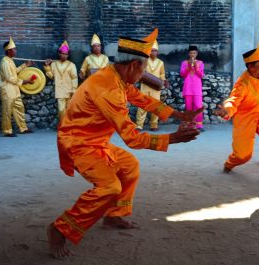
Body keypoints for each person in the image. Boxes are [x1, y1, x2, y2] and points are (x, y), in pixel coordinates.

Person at [46, 28, 203, 259]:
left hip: (96, 142)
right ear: (133, 66)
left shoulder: (116, 76)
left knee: (129, 167)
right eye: (143, 71)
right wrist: (171, 139)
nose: (143, 76)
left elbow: (141, 98)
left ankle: (112, 214)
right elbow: (132, 138)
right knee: (110, 187)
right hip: (79, 144)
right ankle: (60, 229)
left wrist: (180, 115)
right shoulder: (108, 89)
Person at [213, 41, 259, 188]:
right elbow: (233, 101)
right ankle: (228, 165)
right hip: (245, 119)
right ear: (250, 67)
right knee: (243, 156)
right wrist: (226, 110)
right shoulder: (242, 84)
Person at [0, 36, 34, 137]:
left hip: (14, 89)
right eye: (14, 49)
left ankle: (23, 128)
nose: (16, 51)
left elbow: (14, 72)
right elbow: (10, 78)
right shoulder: (5, 62)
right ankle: (7, 131)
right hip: (7, 89)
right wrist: (26, 81)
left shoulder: (10, 60)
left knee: (19, 108)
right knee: (7, 110)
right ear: (9, 51)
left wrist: (25, 65)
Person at [135, 39, 169, 131]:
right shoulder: (144, 61)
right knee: (142, 105)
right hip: (145, 86)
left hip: (156, 87)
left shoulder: (161, 62)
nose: (153, 52)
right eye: (152, 50)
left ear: (157, 52)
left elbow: (162, 74)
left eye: (155, 51)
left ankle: (154, 125)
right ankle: (139, 125)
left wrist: (164, 80)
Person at [44, 41, 78, 119]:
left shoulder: (72, 65)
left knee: (70, 109)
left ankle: (69, 125)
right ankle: (63, 125)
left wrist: (74, 90)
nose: (64, 56)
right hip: (60, 91)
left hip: (70, 91)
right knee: (61, 109)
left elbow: (74, 78)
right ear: (59, 54)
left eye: (66, 54)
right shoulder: (54, 64)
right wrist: (47, 67)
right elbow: (52, 77)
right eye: (63, 53)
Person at [180, 45, 205, 131]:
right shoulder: (184, 63)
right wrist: (189, 66)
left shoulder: (200, 63)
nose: (192, 54)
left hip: (197, 89)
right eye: (191, 53)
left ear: (197, 54)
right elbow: (182, 74)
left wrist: (196, 68)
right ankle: (190, 125)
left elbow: (201, 75)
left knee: (198, 107)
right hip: (188, 89)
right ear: (188, 54)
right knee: (189, 108)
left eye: (194, 53)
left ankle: (199, 125)